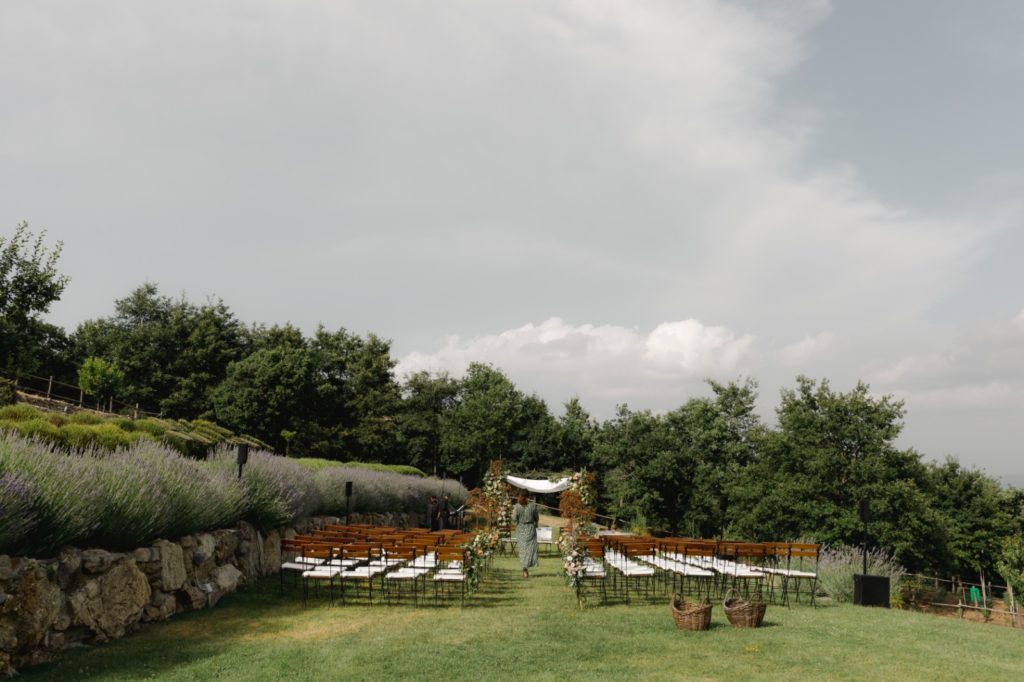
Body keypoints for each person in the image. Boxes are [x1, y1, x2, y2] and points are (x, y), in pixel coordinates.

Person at [512, 490, 539, 578]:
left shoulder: (517, 507)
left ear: (520, 496)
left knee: (522, 550)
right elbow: (536, 518)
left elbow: (514, 518)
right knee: (530, 550)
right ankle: (527, 567)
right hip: (530, 529)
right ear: (528, 496)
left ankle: (525, 569)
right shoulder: (533, 506)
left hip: (521, 529)